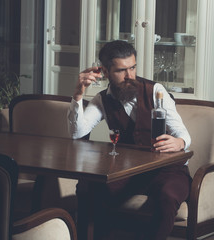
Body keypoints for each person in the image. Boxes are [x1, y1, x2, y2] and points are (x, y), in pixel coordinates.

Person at [67, 40, 192, 240]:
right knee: (88, 186)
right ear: (106, 72)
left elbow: (184, 134)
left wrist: (180, 143)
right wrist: (78, 94)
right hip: (128, 171)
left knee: (168, 196)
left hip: (167, 170)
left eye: (133, 67)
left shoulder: (155, 90)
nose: (129, 75)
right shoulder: (102, 99)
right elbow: (77, 133)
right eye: (122, 70)